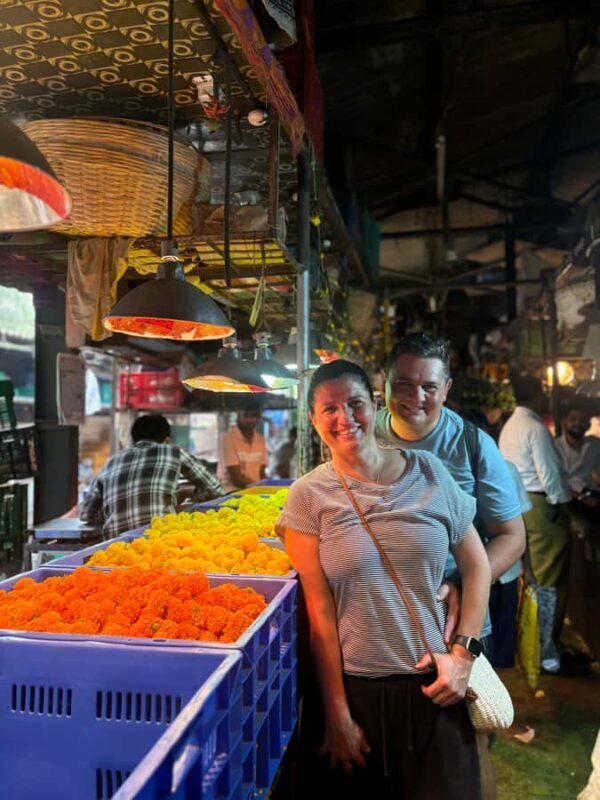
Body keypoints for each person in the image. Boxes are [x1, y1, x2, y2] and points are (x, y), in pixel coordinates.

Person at [277, 359, 491, 800]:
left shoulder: (430, 472)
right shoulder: (307, 498)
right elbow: (320, 614)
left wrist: (464, 656)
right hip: (360, 695)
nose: (344, 418)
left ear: (374, 405)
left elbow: (477, 565)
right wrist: (337, 717)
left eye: (355, 403)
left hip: (436, 686)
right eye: (329, 409)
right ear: (314, 420)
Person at [375, 332, 525, 800]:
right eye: (403, 384)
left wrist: (465, 582)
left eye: (428, 387)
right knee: (396, 739)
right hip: (382, 615)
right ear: (383, 384)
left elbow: (511, 536)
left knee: (462, 737)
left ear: (447, 388)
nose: (414, 397)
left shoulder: (472, 444)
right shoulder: (361, 432)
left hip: (455, 616)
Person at [499, 373, 571, 674]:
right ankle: (548, 652)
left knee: (534, 580)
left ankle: (536, 644)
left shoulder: (511, 426)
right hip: (541, 506)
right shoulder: (535, 427)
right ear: (537, 394)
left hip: (517, 504)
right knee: (549, 581)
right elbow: (550, 475)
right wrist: (564, 506)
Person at [80, 413, 223, 539]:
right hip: (160, 541)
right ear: (167, 440)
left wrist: (115, 510)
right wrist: (189, 494)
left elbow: (87, 515)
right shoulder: (173, 452)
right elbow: (215, 489)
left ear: (133, 439)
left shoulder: (112, 461)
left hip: (115, 548)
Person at [554, 404, 600, 511]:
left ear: (588, 425)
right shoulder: (555, 449)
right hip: (572, 498)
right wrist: (582, 498)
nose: (577, 423)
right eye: (573, 419)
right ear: (564, 422)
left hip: (592, 492)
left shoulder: (595, 444)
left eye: (582, 420)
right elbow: (556, 484)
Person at [217, 401, 268, 491]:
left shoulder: (261, 440)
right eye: (246, 415)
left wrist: (267, 487)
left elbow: (262, 472)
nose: (250, 420)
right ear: (239, 416)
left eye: (254, 416)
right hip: (230, 492)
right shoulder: (228, 439)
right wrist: (258, 488)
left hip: (254, 491)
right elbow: (236, 477)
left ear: (259, 418)